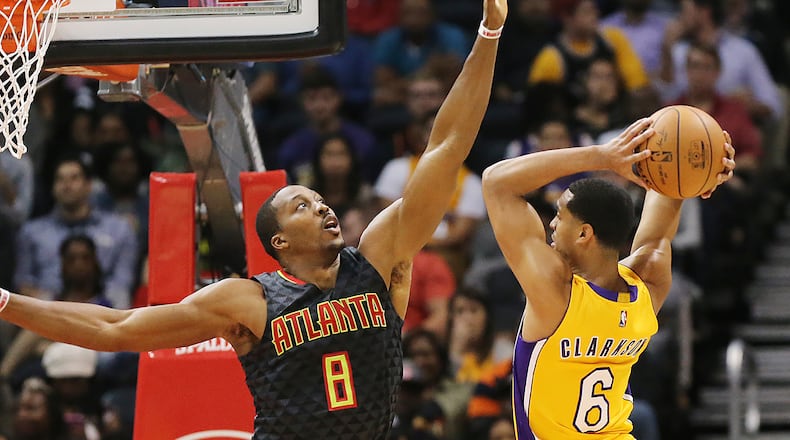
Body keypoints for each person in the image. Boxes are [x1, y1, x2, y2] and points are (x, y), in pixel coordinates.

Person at [0, 1, 508, 438]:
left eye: (318, 199)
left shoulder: (378, 257)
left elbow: (445, 146)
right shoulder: (250, 299)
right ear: (280, 241)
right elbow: (118, 327)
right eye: (302, 206)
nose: (323, 207)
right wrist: (6, 302)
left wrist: (488, 35)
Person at [480, 117, 735, 437]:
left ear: (584, 233)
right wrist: (697, 171)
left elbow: (495, 182)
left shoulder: (556, 292)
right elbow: (667, 202)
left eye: (560, 215)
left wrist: (602, 157)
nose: (553, 226)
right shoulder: (648, 286)